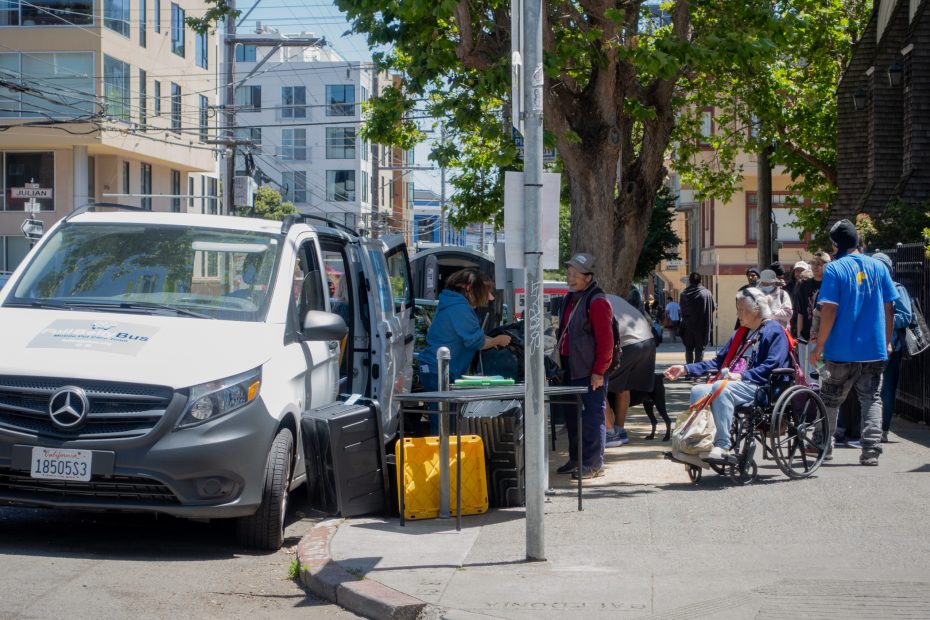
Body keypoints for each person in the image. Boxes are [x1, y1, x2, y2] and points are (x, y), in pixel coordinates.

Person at [808, 220, 898, 466]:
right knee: (871, 398)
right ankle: (870, 450)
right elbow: (889, 307)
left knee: (830, 398)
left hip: (841, 348)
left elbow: (829, 310)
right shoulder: (879, 268)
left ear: (836, 244)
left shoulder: (835, 270)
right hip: (873, 348)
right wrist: (887, 341)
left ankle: (824, 445)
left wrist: (820, 345)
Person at [664, 288, 790, 460]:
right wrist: (686, 369)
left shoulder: (774, 331)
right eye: (737, 309)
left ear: (757, 309)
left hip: (762, 387)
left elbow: (772, 365)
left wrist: (741, 376)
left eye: (742, 310)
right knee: (698, 390)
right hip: (737, 385)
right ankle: (698, 440)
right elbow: (717, 362)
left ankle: (722, 445)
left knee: (721, 387)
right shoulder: (741, 333)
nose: (738, 314)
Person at [419, 268, 511, 432]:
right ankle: (444, 455)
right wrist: (498, 340)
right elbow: (476, 341)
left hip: (434, 369)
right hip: (438, 371)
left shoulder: (452, 304)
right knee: (445, 422)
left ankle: (445, 453)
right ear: (470, 288)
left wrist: (491, 340)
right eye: (485, 291)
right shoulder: (461, 309)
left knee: (442, 419)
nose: (488, 297)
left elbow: (471, 336)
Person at [556, 253, 613, 480]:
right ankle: (577, 458)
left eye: (575, 275)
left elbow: (606, 341)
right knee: (571, 415)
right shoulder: (571, 298)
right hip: (570, 366)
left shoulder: (597, 301)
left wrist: (599, 371)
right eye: (569, 273)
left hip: (590, 370)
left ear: (588, 277)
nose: (570, 278)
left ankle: (594, 463)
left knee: (592, 416)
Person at [604, 293, 657, 447]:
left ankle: (609, 433)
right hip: (647, 340)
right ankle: (620, 430)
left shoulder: (592, 302)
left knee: (597, 385)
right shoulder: (613, 298)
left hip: (627, 344)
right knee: (624, 385)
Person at [872, 252, 912, 443]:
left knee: (886, 389)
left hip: (891, 347)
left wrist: (882, 319)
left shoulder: (897, 289)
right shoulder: (868, 289)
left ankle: (883, 429)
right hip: (868, 347)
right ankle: (869, 428)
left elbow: (906, 317)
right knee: (869, 390)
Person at [796, 252, 831, 379]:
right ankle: (809, 395)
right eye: (813, 263)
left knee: (820, 370)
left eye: (819, 264)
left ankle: (821, 394)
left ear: (826, 265)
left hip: (823, 334)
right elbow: (800, 311)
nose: (815, 266)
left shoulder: (830, 284)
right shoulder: (804, 285)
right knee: (806, 370)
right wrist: (799, 334)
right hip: (806, 334)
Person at [679, 272, 715, 364]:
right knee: (699, 351)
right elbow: (713, 308)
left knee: (689, 349)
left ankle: (688, 371)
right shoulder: (707, 293)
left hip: (688, 327)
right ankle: (696, 373)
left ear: (690, 281)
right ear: (701, 280)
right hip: (702, 326)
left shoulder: (684, 294)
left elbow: (682, 310)